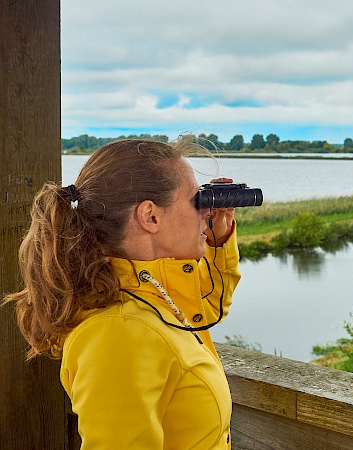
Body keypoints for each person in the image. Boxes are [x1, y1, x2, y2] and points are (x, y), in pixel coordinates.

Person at [4, 138, 241, 449]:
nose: (207, 212)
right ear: (150, 216)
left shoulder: (142, 292)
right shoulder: (119, 331)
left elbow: (199, 313)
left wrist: (218, 241)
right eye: (196, 201)